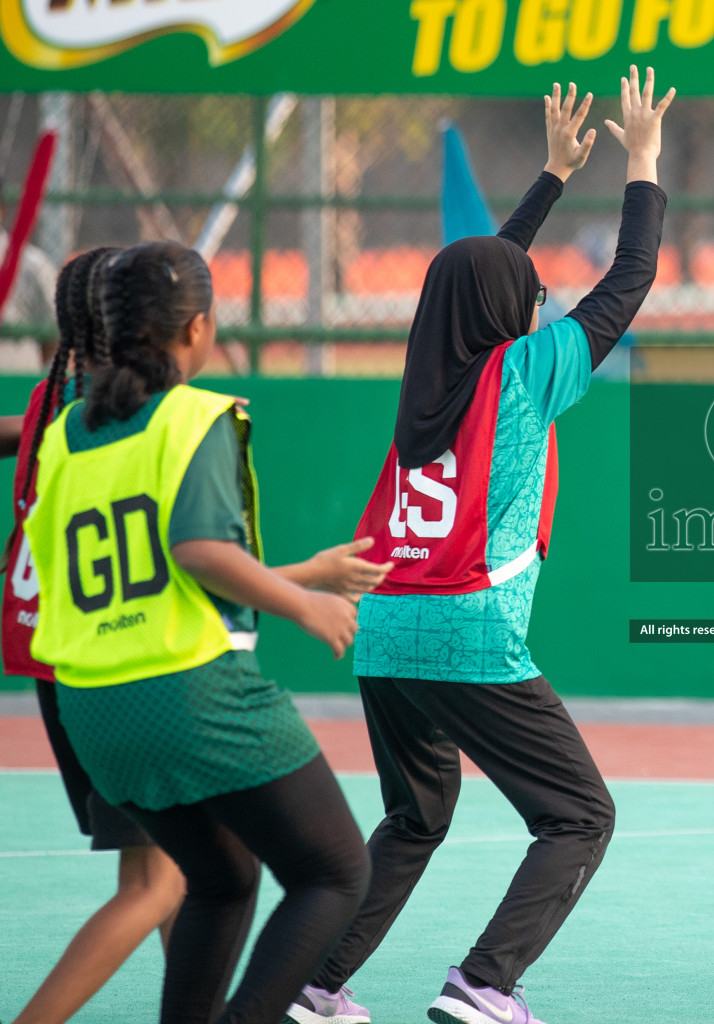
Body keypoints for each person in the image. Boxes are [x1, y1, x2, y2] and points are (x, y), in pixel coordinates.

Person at [285, 69, 672, 1024]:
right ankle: (485, 982)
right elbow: (628, 281)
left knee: (415, 816)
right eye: (532, 296)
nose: (541, 304)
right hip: (468, 634)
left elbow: (472, 277)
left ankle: (313, 982)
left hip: (384, 636)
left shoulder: (425, 379)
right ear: (509, 315)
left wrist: (547, 176)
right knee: (579, 816)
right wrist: (644, 164)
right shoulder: (527, 372)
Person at [24, 240, 387, 1024]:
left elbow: (156, 577)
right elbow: (198, 553)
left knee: (222, 881)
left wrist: (307, 575)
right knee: (335, 872)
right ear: (196, 329)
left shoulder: (65, 438)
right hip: (190, 695)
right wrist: (307, 605)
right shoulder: (195, 416)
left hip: (92, 709)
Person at [4, 246, 190, 1024]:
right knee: (162, 882)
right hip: (109, 667)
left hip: (53, 657)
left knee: (191, 870)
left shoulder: (57, 400)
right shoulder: (116, 410)